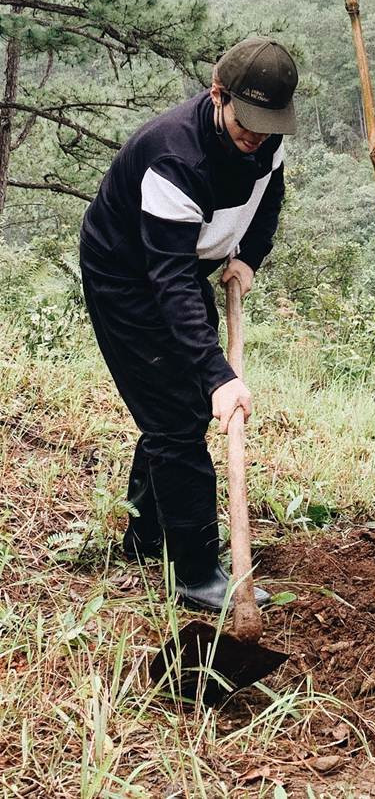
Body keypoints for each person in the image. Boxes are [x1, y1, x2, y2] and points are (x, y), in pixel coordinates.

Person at [80, 37, 297, 612]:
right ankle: (197, 572)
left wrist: (249, 254)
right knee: (177, 415)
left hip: (183, 262)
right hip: (128, 274)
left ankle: (145, 537)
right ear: (217, 93)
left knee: (179, 408)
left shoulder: (266, 139)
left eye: (268, 124)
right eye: (246, 121)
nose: (256, 135)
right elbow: (170, 281)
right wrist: (218, 373)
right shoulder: (175, 157)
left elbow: (269, 193)